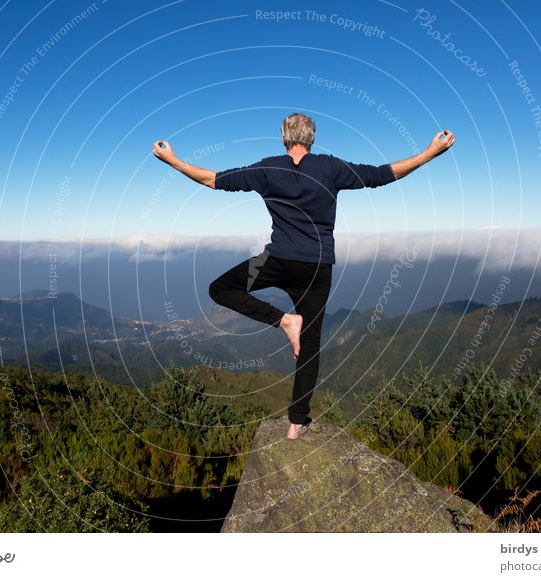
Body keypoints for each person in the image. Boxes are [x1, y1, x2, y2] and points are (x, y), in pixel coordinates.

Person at [152, 113, 454, 439]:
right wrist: (428, 154)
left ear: (284, 137)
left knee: (220, 288)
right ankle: (296, 423)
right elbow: (382, 175)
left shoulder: (268, 168)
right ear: (311, 137)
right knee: (309, 345)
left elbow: (213, 179)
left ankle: (282, 320)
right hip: (316, 267)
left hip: (275, 260)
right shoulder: (331, 167)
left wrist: (172, 161)